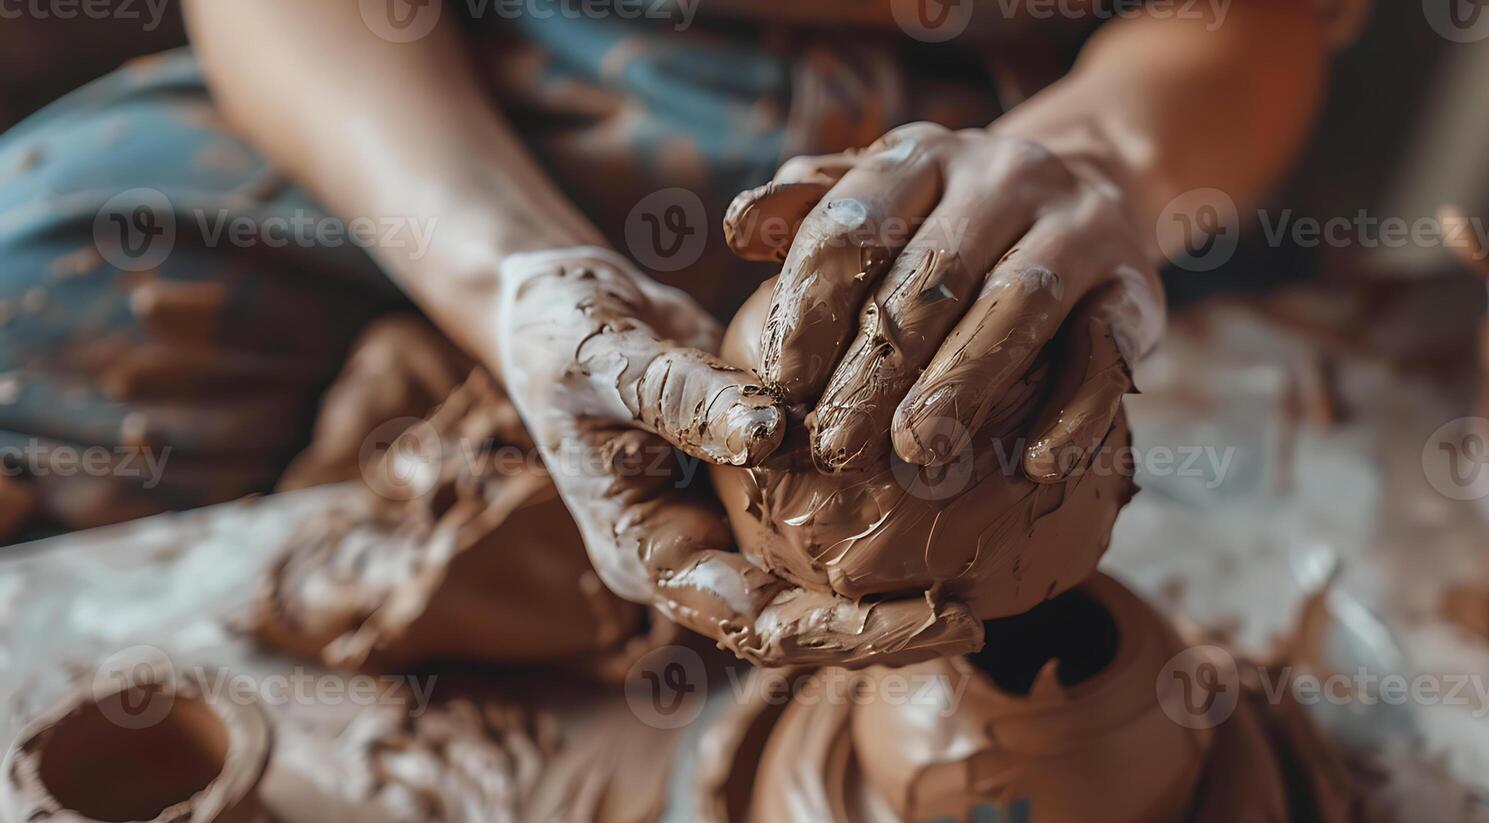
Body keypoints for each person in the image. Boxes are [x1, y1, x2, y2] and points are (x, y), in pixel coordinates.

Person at [0, 0, 1364, 656]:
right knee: (42, 288)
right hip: (514, 72)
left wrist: (1102, 163)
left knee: (1245, 490)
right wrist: (502, 278)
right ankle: (493, 404)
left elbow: (1249, 22)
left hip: (1036, 136)